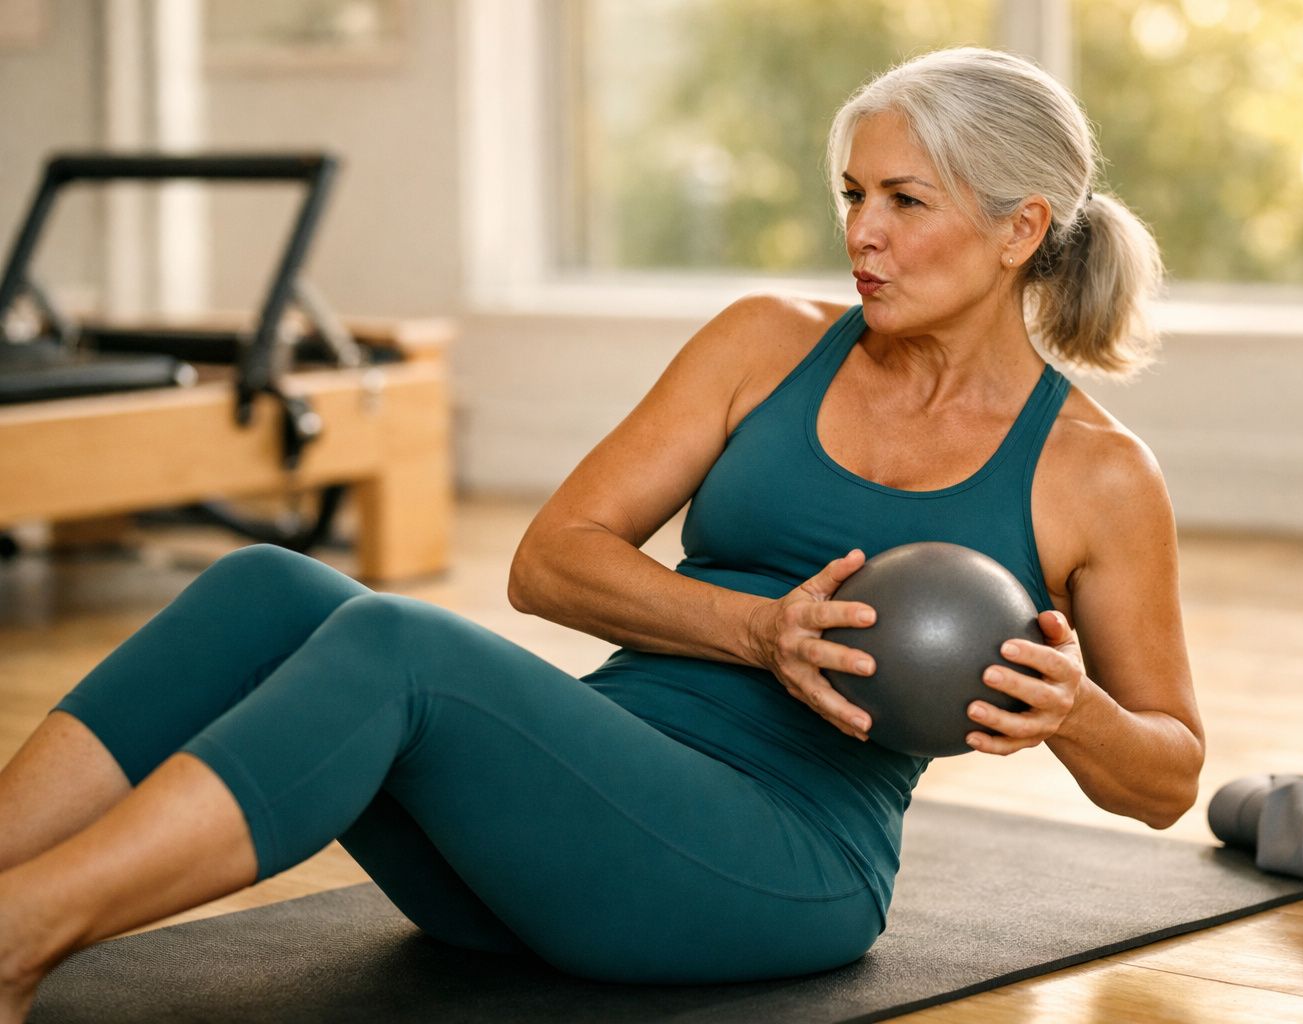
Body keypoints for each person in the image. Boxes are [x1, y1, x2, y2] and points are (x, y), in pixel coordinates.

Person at [0, 46, 1202, 1019]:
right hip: (561, 826)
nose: (863, 233)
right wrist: (756, 630)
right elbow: (550, 560)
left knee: (398, 646)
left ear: (1017, 228)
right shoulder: (763, 343)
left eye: (904, 200)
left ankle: (22, 937)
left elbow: (1169, 776)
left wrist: (1074, 712)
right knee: (267, 585)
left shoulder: (1093, 474)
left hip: (775, 867)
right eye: (852, 194)